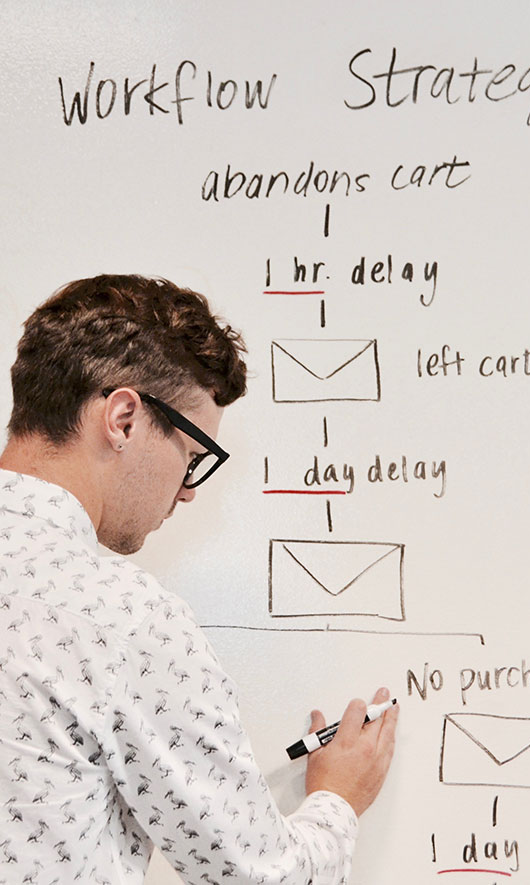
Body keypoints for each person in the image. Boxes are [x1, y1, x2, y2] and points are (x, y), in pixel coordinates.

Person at [0, 274, 398, 884]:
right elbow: (260, 877)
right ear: (124, 419)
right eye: (192, 456)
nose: (187, 491)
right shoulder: (123, 618)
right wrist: (339, 798)